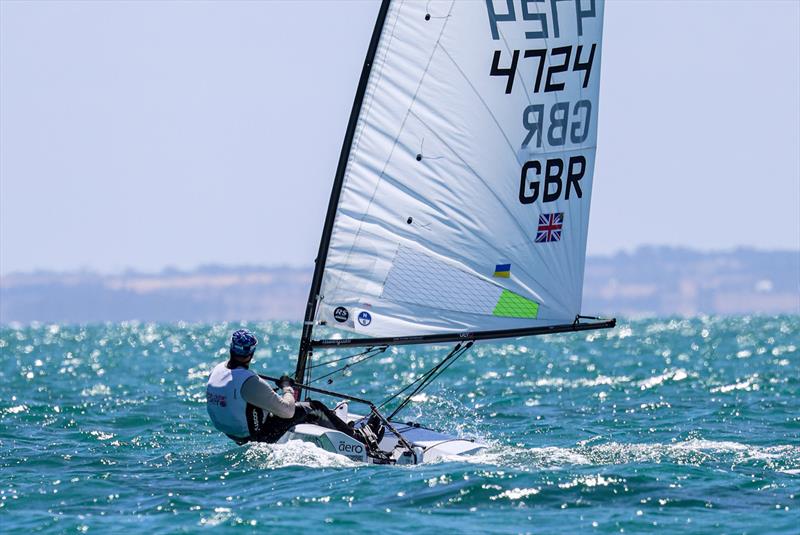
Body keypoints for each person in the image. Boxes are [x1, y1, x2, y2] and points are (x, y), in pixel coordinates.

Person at [206, 329, 382, 447]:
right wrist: (287, 388)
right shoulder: (249, 382)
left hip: (234, 435)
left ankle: (337, 427)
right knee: (314, 407)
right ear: (251, 353)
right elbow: (288, 411)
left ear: (231, 348)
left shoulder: (217, 370)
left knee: (299, 409)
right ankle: (361, 439)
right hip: (257, 437)